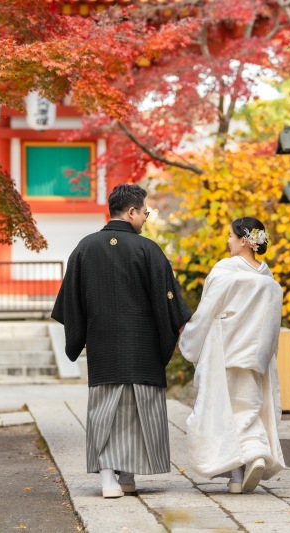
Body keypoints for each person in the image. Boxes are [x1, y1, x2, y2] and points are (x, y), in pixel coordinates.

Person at [51, 183, 193, 499]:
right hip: (143, 349)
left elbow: (70, 303)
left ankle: (114, 477)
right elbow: (169, 301)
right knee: (136, 413)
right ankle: (116, 477)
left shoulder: (85, 248)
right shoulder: (149, 250)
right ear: (131, 212)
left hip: (103, 349)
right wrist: (180, 329)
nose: (146, 217)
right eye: (145, 212)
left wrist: (80, 335)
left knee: (106, 413)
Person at [178, 217, 285, 494]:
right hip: (255, 354)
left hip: (225, 350)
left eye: (230, 236)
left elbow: (206, 312)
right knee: (247, 408)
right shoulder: (267, 276)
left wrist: (190, 339)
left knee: (224, 412)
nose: (227, 241)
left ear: (243, 240)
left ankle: (248, 463)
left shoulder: (225, 271)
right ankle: (242, 471)